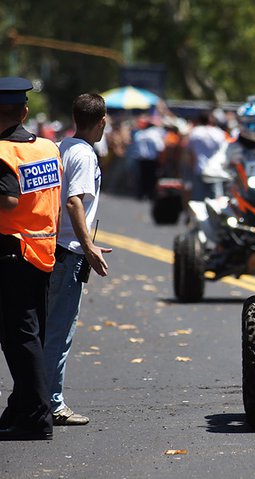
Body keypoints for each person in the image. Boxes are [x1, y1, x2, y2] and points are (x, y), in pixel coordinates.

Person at [43, 93, 111, 427]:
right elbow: (74, 203)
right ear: (102, 121)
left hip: (47, 248)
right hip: (67, 253)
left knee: (43, 330)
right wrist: (88, 246)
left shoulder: (59, 147)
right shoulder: (84, 154)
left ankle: (35, 399)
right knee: (58, 332)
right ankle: (51, 404)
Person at [0, 77, 61, 440]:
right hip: (42, 253)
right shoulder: (47, 148)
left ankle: (37, 418)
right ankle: (21, 408)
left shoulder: (2, 152)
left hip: (11, 252)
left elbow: (7, 201)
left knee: (20, 339)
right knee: (29, 336)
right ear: (24, 112)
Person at [187, 110, 227, 200]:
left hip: (199, 169)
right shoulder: (220, 133)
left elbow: (190, 153)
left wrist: (192, 168)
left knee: (198, 200)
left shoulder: (195, 132)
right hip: (215, 170)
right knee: (216, 200)